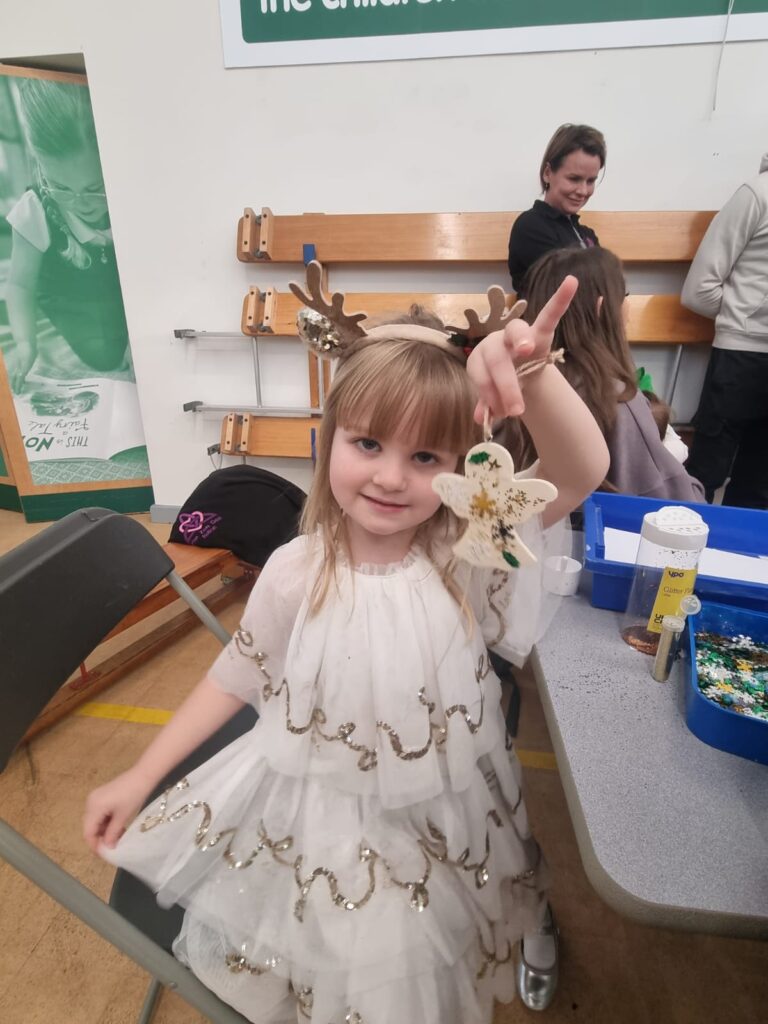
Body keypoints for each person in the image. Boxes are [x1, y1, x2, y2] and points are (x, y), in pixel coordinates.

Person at [83, 274, 609, 1024]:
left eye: (426, 457)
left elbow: (581, 472)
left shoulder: (463, 545)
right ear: (330, 439)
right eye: (368, 443)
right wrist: (141, 775)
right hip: (319, 816)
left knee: (434, 944)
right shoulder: (296, 571)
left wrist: (533, 373)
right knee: (347, 963)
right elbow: (235, 676)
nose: (391, 477)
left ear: (462, 467)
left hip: (441, 810)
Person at [502, 246, 704, 502]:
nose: (628, 306)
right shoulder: (618, 400)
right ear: (602, 307)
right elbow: (676, 501)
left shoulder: (512, 386)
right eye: (624, 295)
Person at [4, 77, 129, 393]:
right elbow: (19, 285)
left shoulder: (132, 198)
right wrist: (25, 343)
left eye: (94, 187)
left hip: (120, 294)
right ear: (39, 165)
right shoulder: (35, 209)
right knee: (101, 356)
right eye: (60, 187)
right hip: (67, 301)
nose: (79, 203)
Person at [681, 152, 768, 509]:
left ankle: (741, 545)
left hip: (745, 346)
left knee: (760, 484)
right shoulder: (756, 194)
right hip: (741, 353)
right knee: (706, 472)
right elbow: (698, 291)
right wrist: (745, 318)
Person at [508, 124, 606, 296]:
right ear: (548, 173)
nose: (583, 191)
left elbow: (612, 286)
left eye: (590, 181)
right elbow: (569, 289)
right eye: (574, 179)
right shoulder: (530, 226)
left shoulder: (587, 235)